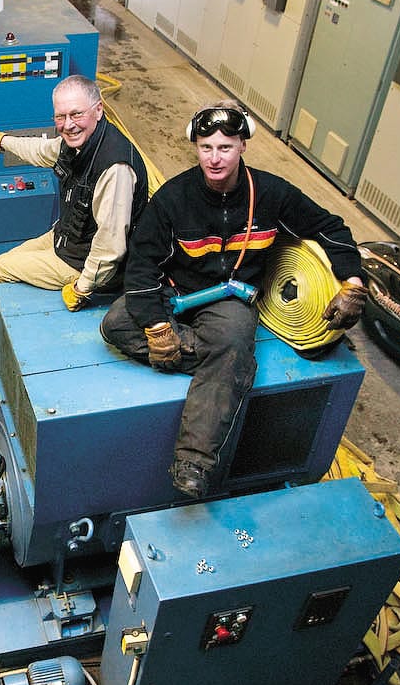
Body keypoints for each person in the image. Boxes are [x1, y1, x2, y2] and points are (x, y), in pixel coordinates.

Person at [100, 102, 367, 499]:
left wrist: (354, 282)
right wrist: (156, 326)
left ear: (243, 145)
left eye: (225, 147)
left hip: (228, 302)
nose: (214, 157)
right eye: (206, 147)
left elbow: (331, 227)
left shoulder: (272, 195)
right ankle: (226, 365)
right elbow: (141, 266)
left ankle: (194, 460)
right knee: (115, 324)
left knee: (233, 336)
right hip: (176, 291)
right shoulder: (173, 199)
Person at [0, 74, 148, 311]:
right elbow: (43, 151)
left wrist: (81, 288)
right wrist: (0, 140)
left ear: (98, 110)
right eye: (60, 116)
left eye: (76, 114)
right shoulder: (80, 141)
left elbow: (110, 246)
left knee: (1, 267)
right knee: (11, 258)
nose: (68, 124)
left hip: (85, 263)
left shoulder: (114, 167)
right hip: (68, 238)